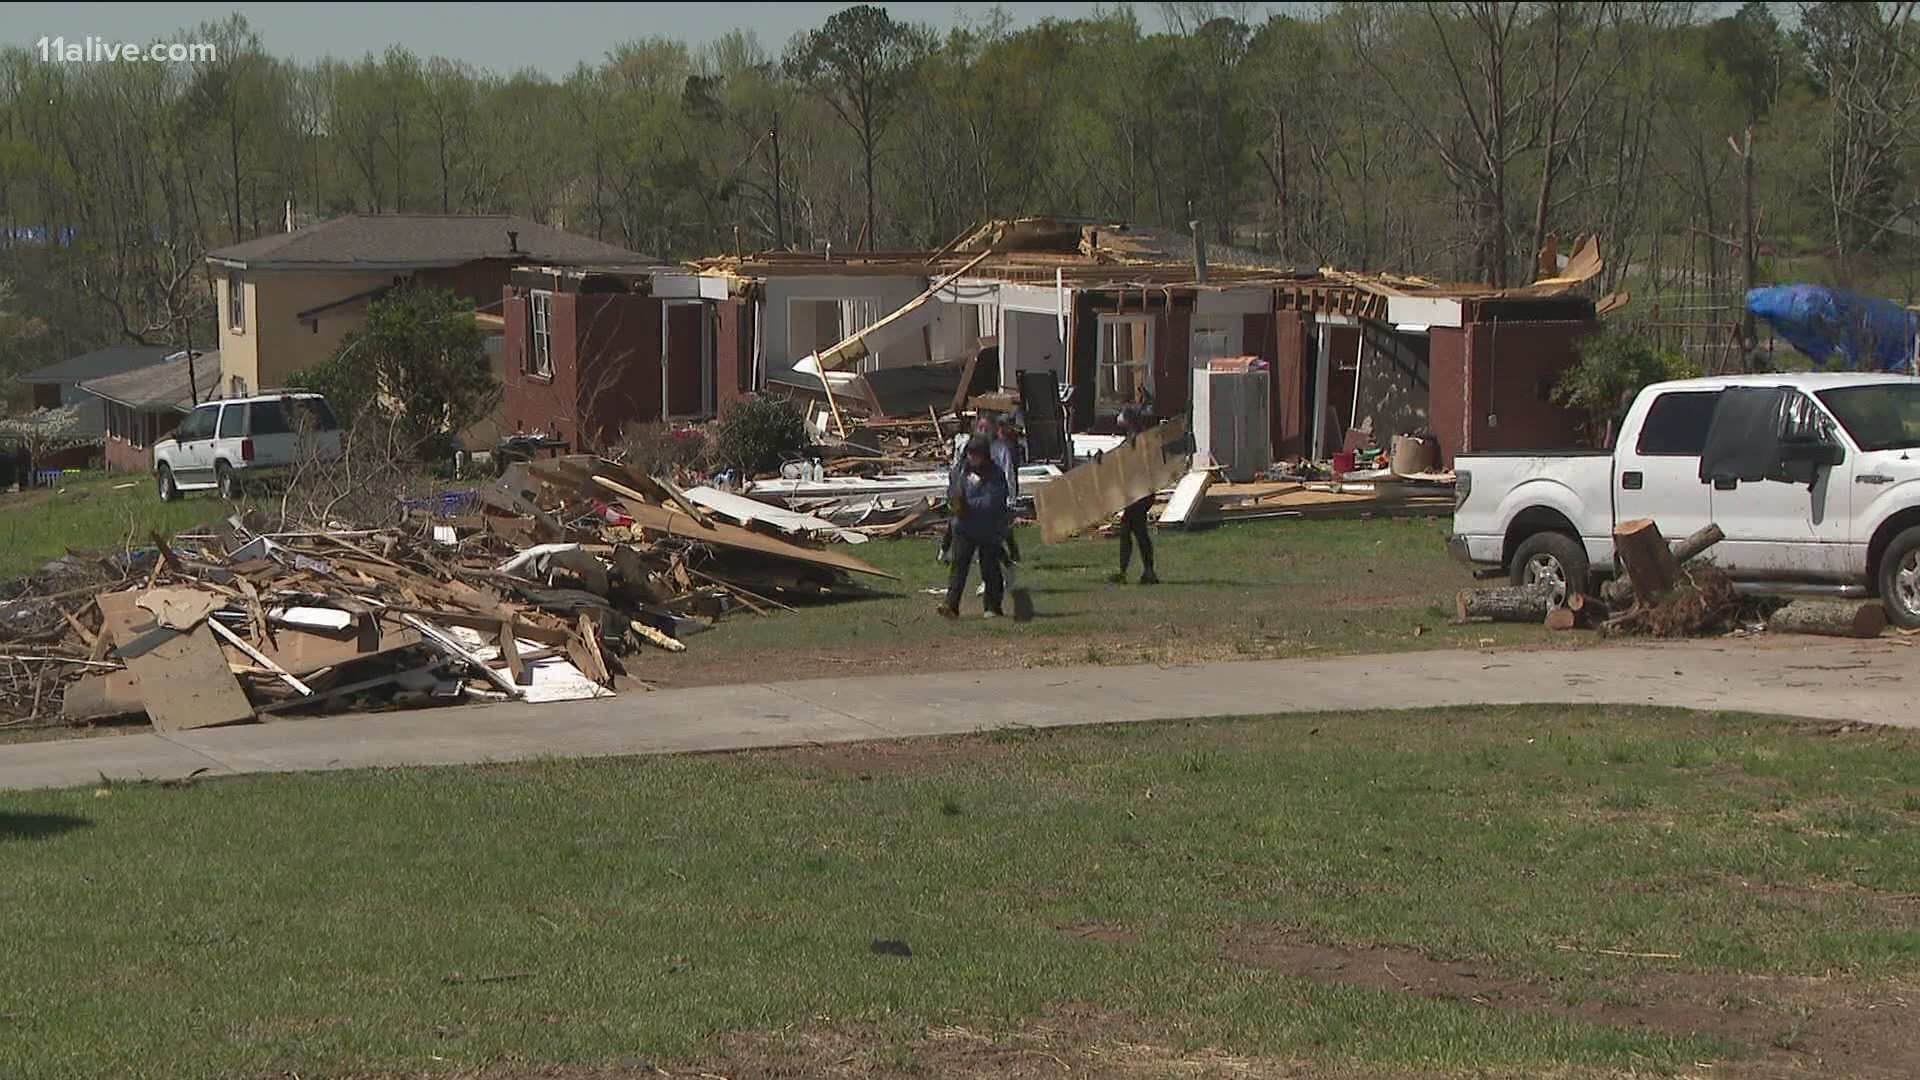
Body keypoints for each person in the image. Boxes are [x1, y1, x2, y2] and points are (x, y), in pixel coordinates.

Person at [939, 433, 1010, 619]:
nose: (972, 458)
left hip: (988, 527)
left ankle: (992, 607)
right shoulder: (961, 471)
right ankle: (950, 605)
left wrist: (968, 505)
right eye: (970, 454)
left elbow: (993, 501)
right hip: (964, 528)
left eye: (976, 454)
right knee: (958, 567)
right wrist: (954, 502)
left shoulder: (995, 474)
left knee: (990, 569)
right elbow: (952, 492)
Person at [1108, 408, 1159, 585]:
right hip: (1137, 493)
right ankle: (1146, 571)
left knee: (1130, 531)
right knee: (1136, 531)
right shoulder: (1133, 438)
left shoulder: (1139, 440)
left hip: (1140, 493)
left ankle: (1132, 572)